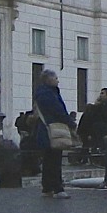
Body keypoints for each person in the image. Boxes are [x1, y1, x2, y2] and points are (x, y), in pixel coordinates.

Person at [33, 68, 75, 196]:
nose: (58, 80)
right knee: (55, 160)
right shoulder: (48, 94)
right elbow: (58, 111)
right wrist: (71, 123)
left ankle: (47, 188)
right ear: (49, 80)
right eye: (56, 78)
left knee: (48, 160)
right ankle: (58, 188)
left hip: (45, 129)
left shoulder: (41, 93)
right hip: (53, 130)